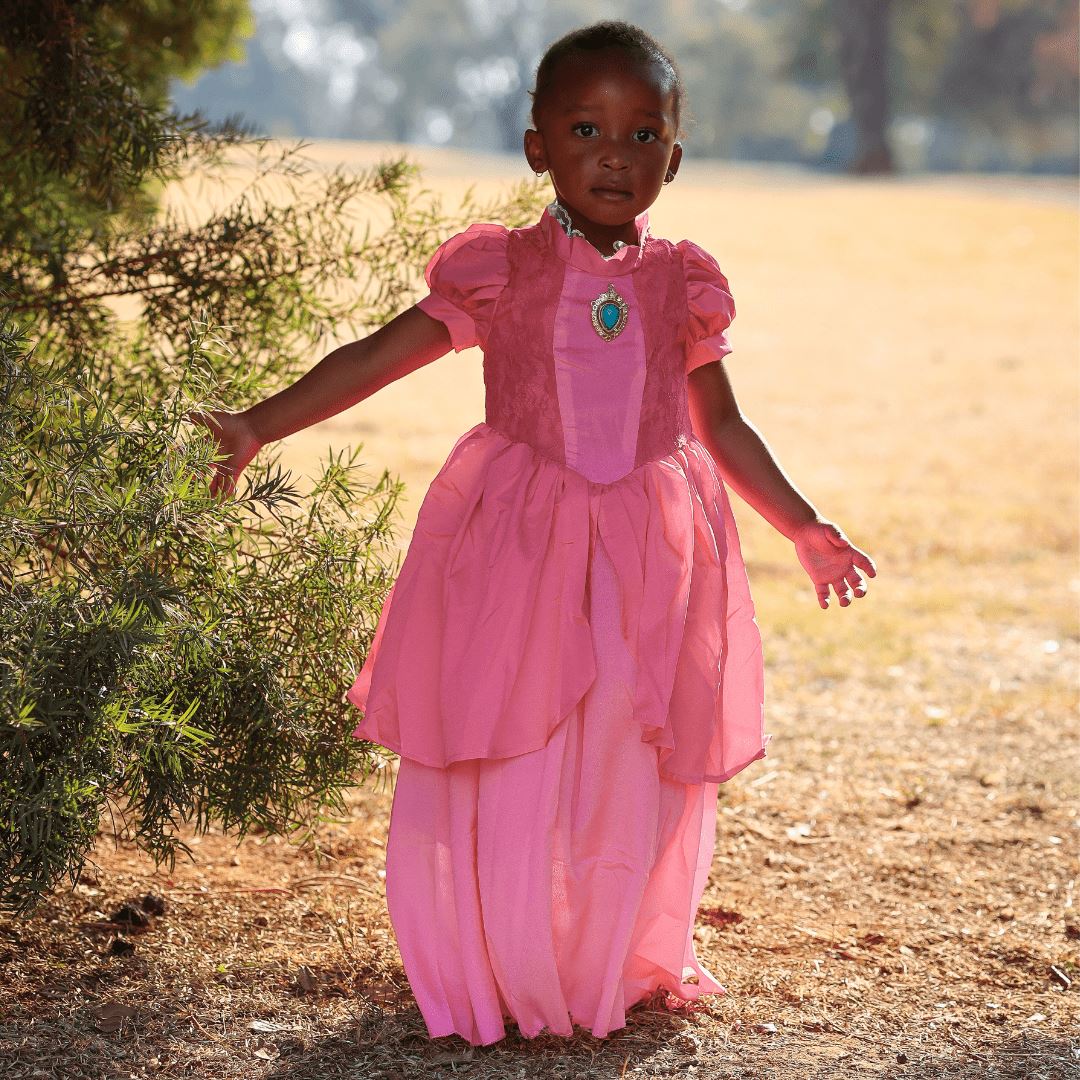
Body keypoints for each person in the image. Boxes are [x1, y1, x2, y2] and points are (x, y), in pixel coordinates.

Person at [192, 19, 876, 1048]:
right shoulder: (498, 272)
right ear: (538, 147)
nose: (616, 152)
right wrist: (260, 423)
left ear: (674, 160)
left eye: (644, 134)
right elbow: (374, 358)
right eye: (587, 127)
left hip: (646, 551)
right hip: (520, 541)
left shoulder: (680, 283)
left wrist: (803, 525)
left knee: (623, 739)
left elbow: (719, 422)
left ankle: (603, 947)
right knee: (515, 735)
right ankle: (505, 946)